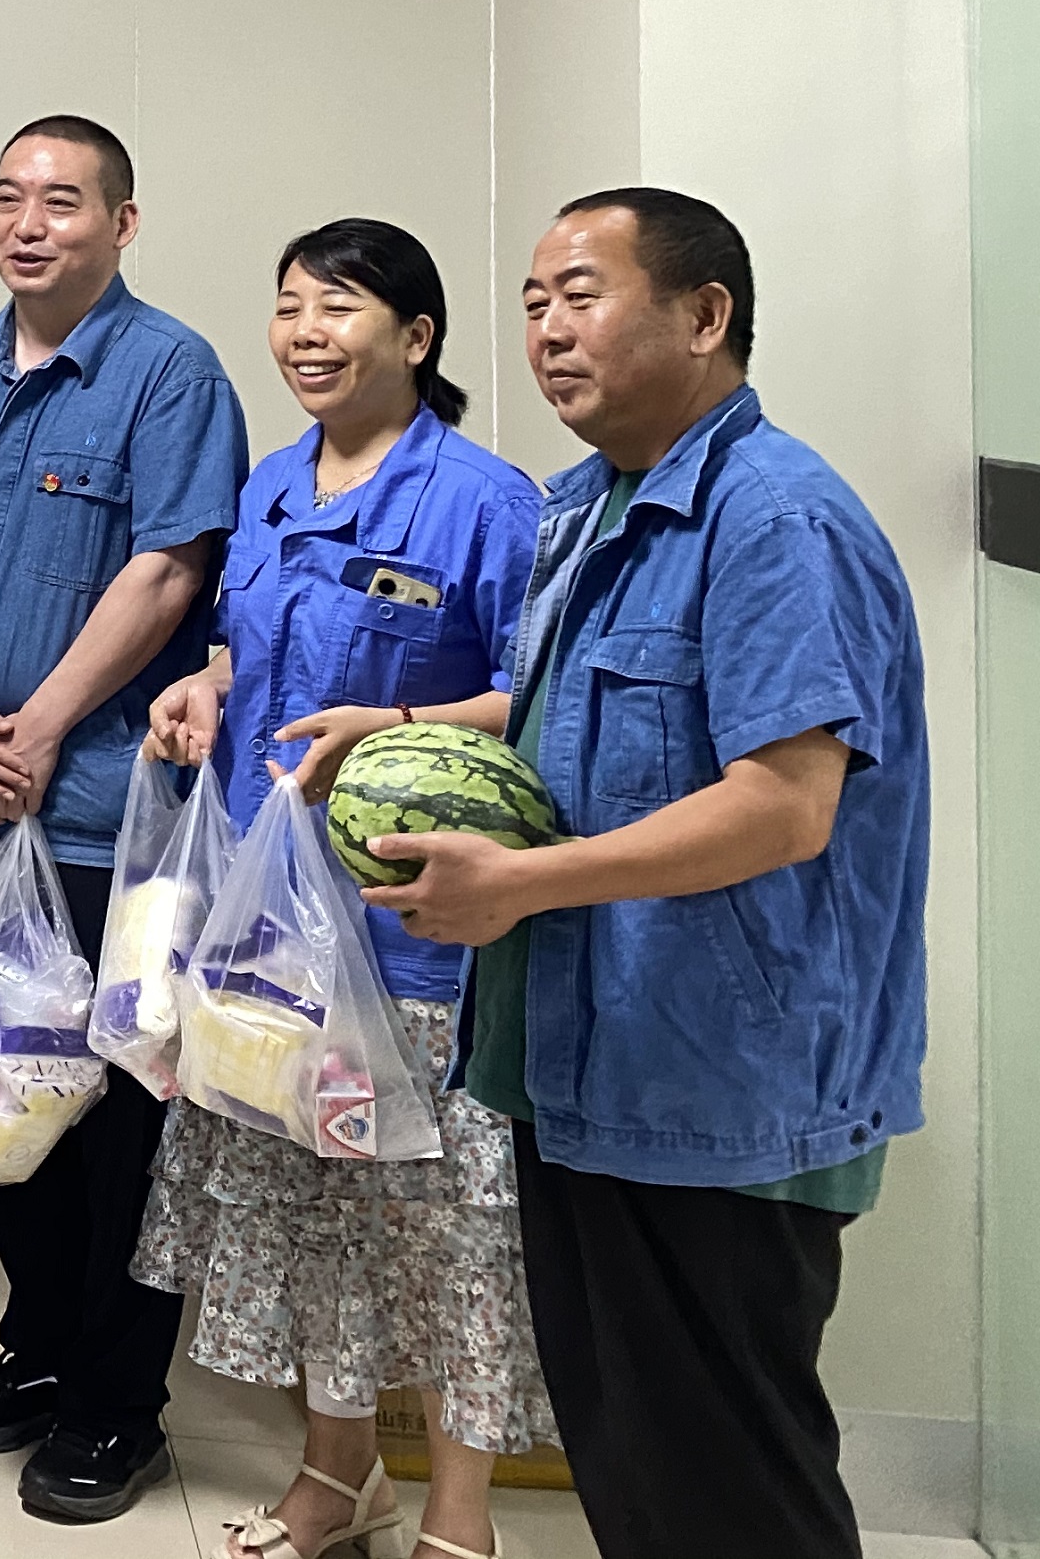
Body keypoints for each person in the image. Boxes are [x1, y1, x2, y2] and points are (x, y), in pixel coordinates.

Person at [367, 190, 928, 1559]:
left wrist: (523, 885)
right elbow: (579, 713)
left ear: (705, 315)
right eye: (534, 304)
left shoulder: (773, 518)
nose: (549, 332)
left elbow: (784, 805)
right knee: (637, 1472)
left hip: (718, 1091)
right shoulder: (595, 505)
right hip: (591, 1071)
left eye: (582, 295)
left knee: (729, 1494)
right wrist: (404, 727)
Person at [131, 220, 549, 1559]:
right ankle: (336, 1477)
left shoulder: (487, 502)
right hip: (270, 936)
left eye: (340, 307)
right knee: (315, 1219)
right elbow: (247, 648)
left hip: (416, 935)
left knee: (447, 1236)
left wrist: (402, 729)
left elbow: (543, 698)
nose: (307, 333)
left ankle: (461, 1518)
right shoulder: (269, 488)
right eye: (290, 306)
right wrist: (203, 687)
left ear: (416, 338)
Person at [0, 114, 249, 1523]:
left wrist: (37, 727)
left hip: (104, 813)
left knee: (117, 1120)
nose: (29, 224)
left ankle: (116, 1405)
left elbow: (170, 572)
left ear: (122, 223)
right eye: (8, 198)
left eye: (63, 201)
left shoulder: (171, 371)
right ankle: (39, 1350)